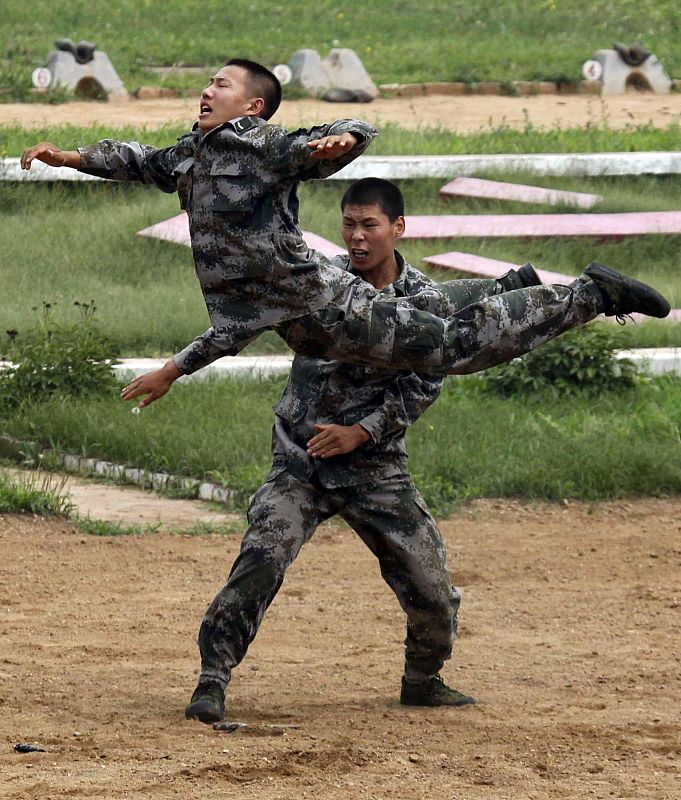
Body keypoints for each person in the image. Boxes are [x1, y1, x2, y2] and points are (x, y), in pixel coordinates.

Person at [20, 59, 671, 405]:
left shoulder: (261, 147)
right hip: (309, 315)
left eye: (220, 84)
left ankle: (590, 296)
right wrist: (69, 157)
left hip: (331, 311)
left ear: (251, 106)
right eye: (205, 83)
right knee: (428, 315)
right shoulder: (191, 155)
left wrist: (342, 141)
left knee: (448, 350)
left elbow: (324, 144)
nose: (205, 90)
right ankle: (511, 285)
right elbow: (139, 162)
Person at [186, 178, 488, 723]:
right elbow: (243, 323)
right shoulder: (316, 283)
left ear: (398, 229)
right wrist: (172, 369)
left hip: (375, 469)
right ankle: (212, 680)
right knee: (261, 558)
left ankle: (423, 679)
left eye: (369, 225)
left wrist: (365, 432)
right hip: (300, 463)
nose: (356, 236)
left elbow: (425, 381)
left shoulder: (425, 303)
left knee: (432, 587)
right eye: (349, 223)